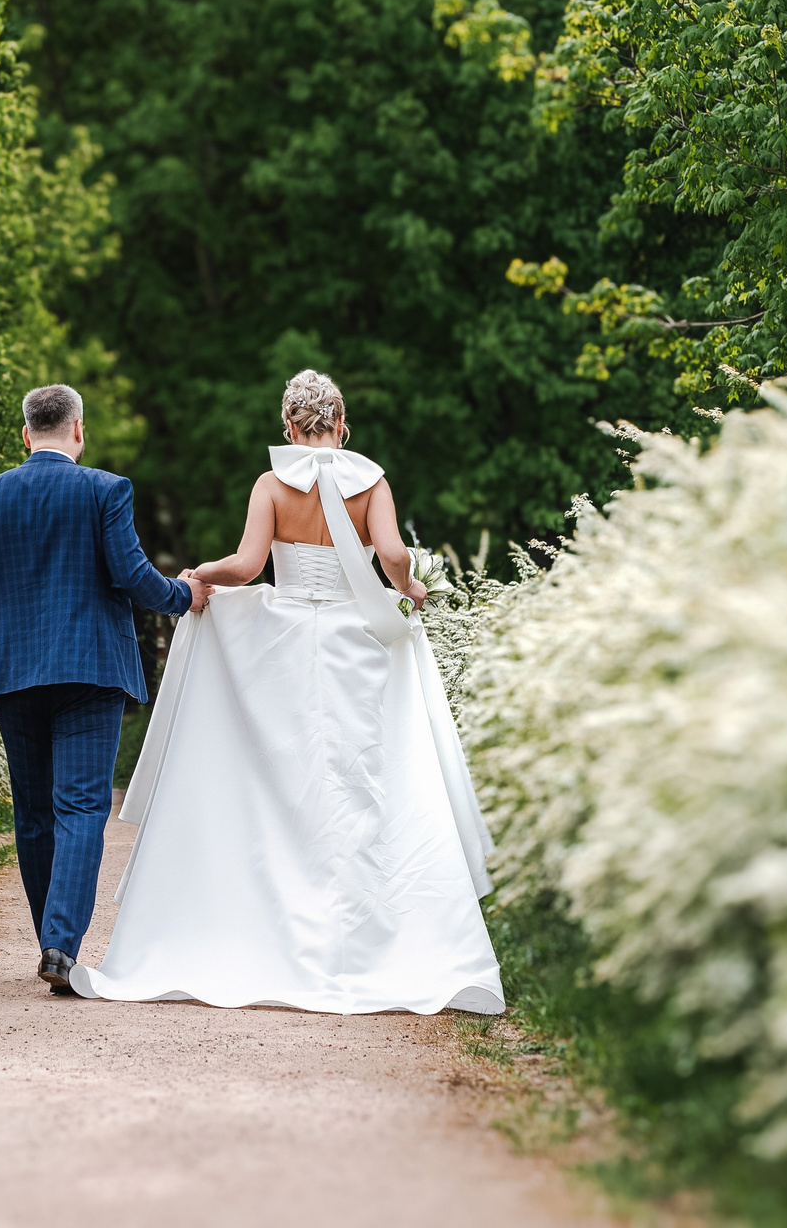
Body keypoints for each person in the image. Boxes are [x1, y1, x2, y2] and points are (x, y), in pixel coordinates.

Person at [68, 369, 504, 1014]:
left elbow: (246, 567)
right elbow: (391, 554)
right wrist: (410, 587)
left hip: (285, 638)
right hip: (357, 640)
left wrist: (197, 576)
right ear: (342, 424)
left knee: (283, 783)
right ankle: (369, 936)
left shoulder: (273, 484)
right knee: (364, 780)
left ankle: (276, 921)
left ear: (290, 427)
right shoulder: (372, 480)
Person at [0, 384, 210, 994]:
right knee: (82, 809)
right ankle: (61, 945)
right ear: (78, 431)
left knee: (35, 814)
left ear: (25, 435)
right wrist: (184, 596)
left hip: (14, 677)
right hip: (90, 673)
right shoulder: (105, 490)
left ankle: (53, 941)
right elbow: (132, 575)